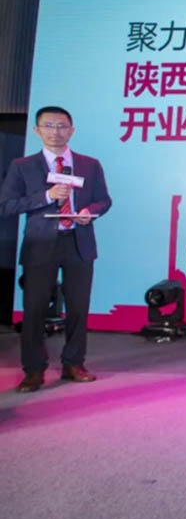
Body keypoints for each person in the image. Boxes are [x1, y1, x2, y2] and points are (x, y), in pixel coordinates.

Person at [0, 106, 112, 393]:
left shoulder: (89, 165)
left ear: (71, 131)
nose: (56, 132)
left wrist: (89, 212)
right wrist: (46, 196)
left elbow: (104, 200)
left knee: (78, 307)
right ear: (37, 131)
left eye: (62, 126)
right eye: (48, 126)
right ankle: (33, 370)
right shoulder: (22, 166)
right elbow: (6, 205)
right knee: (35, 308)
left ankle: (74, 363)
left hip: (78, 242)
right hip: (41, 244)